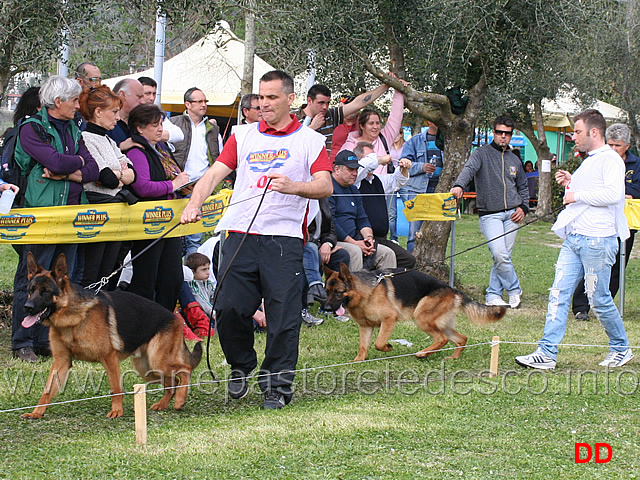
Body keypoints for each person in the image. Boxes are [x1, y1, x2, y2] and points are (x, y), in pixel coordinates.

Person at [181, 70, 332, 409]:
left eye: (272, 97)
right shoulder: (242, 134)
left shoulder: (309, 141)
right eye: (260, 97)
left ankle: (277, 386)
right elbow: (214, 174)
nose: (263, 104)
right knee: (230, 307)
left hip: (284, 238)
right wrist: (194, 203)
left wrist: (294, 186)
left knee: (283, 316)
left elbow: (325, 185)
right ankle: (241, 365)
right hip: (238, 233)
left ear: (290, 100)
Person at [516, 109, 633, 369]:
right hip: (575, 239)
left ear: (594, 132)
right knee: (558, 293)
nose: (573, 137)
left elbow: (613, 195)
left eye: (578, 132)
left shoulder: (610, 160)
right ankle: (546, 352)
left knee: (598, 299)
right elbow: (590, 191)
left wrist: (576, 195)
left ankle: (621, 348)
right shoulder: (590, 160)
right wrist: (572, 182)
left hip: (598, 241)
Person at [11, 75, 100, 362]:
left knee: (63, 280)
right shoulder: (31, 129)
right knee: (33, 280)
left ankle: (48, 339)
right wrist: (73, 163)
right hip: (41, 215)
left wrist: (66, 169)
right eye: (74, 100)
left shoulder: (74, 127)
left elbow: (94, 169)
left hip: (72, 215)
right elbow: (59, 161)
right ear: (58, 102)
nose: (78, 105)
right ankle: (22, 341)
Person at [450, 115, 529, 308]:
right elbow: (468, 170)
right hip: (489, 213)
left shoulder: (514, 159)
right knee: (499, 253)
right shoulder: (481, 154)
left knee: (502, 257)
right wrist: (459, 185)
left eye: (507, 133)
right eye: (500, 132)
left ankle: (493, 294)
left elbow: (523, 186)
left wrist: (524, 208)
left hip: (513, 214)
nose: (503, 136)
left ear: (511, 135)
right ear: (494, 133)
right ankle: (514, 289)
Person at [572, 123, 640, 321]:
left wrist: (620, 194)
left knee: (618, 264)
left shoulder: (636, 165)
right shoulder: (598, 160)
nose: (613, 150)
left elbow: (635, 190)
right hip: (598, 221)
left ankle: (604, 305)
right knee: (591, 263)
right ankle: (581, 306)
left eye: (617, 146)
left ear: (627, 145)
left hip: (626, 221)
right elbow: (591, 187)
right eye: (609, 144)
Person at [126, 104, 189, 312]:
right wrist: (173, 185)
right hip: (148, 224)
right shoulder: (137, 151)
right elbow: (142, 187)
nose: (160, 129)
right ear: (140, 128)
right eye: (155, 125)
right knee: (146, 277)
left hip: (168, 222)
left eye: (161, 124)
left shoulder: (160, 150)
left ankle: (166, 321)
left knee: (172, 277)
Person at [77, 85, 137, 287]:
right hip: (97, 211)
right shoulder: (86, 139)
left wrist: (118, 175)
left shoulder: (109, 140)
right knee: (94, 271)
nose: (117, 118)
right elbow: (107, 177)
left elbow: (132, 173)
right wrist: (120, 175)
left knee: (110, 271)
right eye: (113, 112)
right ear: (98, 112)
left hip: (114, 211)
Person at [170, 87, 220, 256]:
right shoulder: (173, 124)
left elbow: (218, 158)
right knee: (174, 236)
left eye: (205, 101)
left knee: (195, 238)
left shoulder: (212, 129)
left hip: (201, 187)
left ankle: (193, 278)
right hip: (177, 187)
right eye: (199, 101)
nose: (203, 105)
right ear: (187, 104)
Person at [329, 150, 397, 271]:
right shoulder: (328, 188)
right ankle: (356, 289)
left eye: (356, 170)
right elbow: (332, 223)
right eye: (350, 170)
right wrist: (354, 243)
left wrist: (368, 238)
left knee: (387, 254)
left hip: (356, 239)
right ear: (337, 169)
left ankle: (383, 289)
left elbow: (362, 219)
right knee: (355, 251)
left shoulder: (354, 190)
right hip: (334, 241)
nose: (355, 173)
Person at [354, 142, 415, 269]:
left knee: (408, 260)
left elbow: (397, 181)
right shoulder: (355, 181)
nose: (373, 162)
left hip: (381, 238)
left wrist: (404, 167)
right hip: (362, 239)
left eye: (374, 157)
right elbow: (364, 166)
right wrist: (381, 159)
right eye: (369, 158)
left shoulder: (378, 180)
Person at [292, 82, 391, 155]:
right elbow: (287, 146)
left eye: (327, 103)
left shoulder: (330, 115)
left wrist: (386, 85)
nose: (325, 107)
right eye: (321, 103)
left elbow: (359, 103)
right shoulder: (292, 117)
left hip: (322, 173)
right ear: (309, 101)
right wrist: (312, 128)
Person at [339, 79, 406, 176]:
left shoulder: (385, 138)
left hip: (382, 188)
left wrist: (399, 89)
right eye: (371, 123)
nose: (375, 127)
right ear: (362, 126)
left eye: (377, 123)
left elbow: (396, 116)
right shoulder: (350, 146)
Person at [395, 121, 444, 251]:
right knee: (414, 233)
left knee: (437, 232)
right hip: (417, 190)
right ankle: (412, 264)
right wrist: (421, 167)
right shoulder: (414, 141)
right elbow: (403, 165)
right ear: (428, 121)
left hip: (440, 191)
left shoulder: (447, 140)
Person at [137, 76, 184, 143]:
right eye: (147, 93)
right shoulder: (130, 112)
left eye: (154, 94)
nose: (152, 98)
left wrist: (152, 135)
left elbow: (179, 135)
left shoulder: (156, 113)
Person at [108, 78, 146, 150]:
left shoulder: (141, 120)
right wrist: (120, 146)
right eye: (139, 97)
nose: (143, 102)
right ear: (122, 95)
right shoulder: (104, 121)